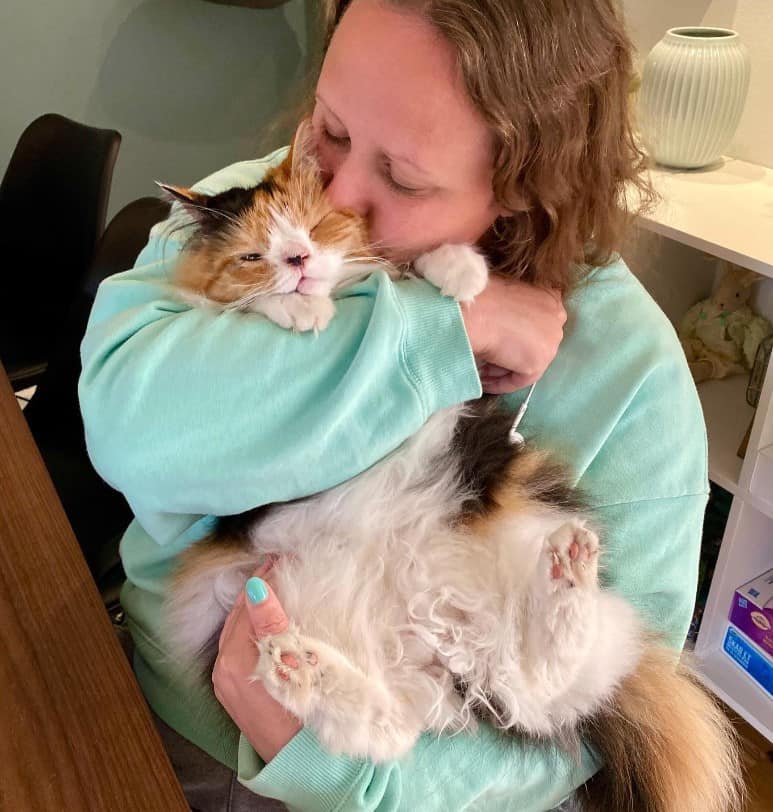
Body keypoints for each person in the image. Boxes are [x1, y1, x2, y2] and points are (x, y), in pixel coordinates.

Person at [79, 1, 708, 810]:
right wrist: (449, 328)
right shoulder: (261, 204)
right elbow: (134, 431)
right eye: (331, 129)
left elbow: (589, 710)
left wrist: (343, 774)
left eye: (403, 177)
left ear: (522, 192)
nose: (332, 193)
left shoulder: (633, 380)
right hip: (163, 710)